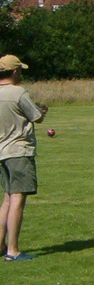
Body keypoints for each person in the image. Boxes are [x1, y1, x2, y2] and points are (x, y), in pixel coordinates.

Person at [0, 54, 47, 261]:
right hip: (19, 151)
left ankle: (1, 246)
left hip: (1, 151)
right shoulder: (18, 92)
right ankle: (13, 250)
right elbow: (36, 117)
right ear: (15, 71)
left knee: (7, 199)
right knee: (18, 200)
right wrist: (42, 111)